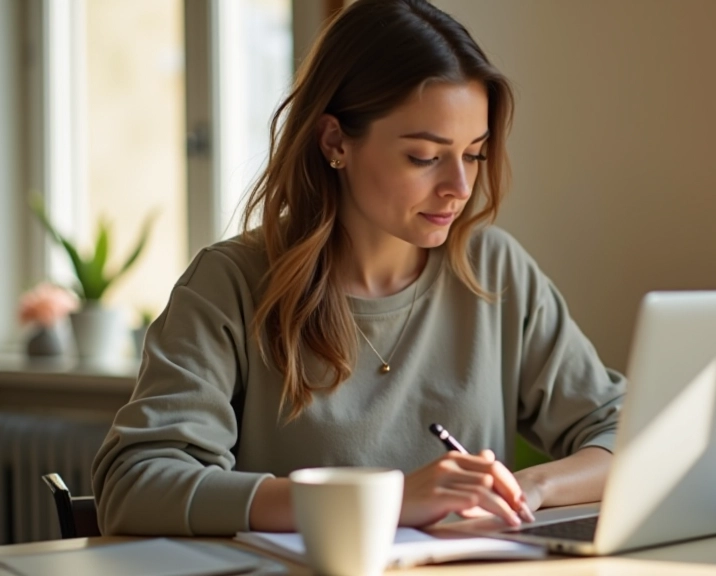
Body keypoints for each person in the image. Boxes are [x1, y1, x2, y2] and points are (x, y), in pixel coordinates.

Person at [91, 0, 625, 536]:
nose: (459, 189)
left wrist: (528, 487)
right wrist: (380, 500)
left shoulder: (495, 271)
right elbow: (136, 483)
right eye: (424, 156)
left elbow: (627, 429)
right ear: (335, 141)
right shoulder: (230, 283)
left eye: (474, 154)